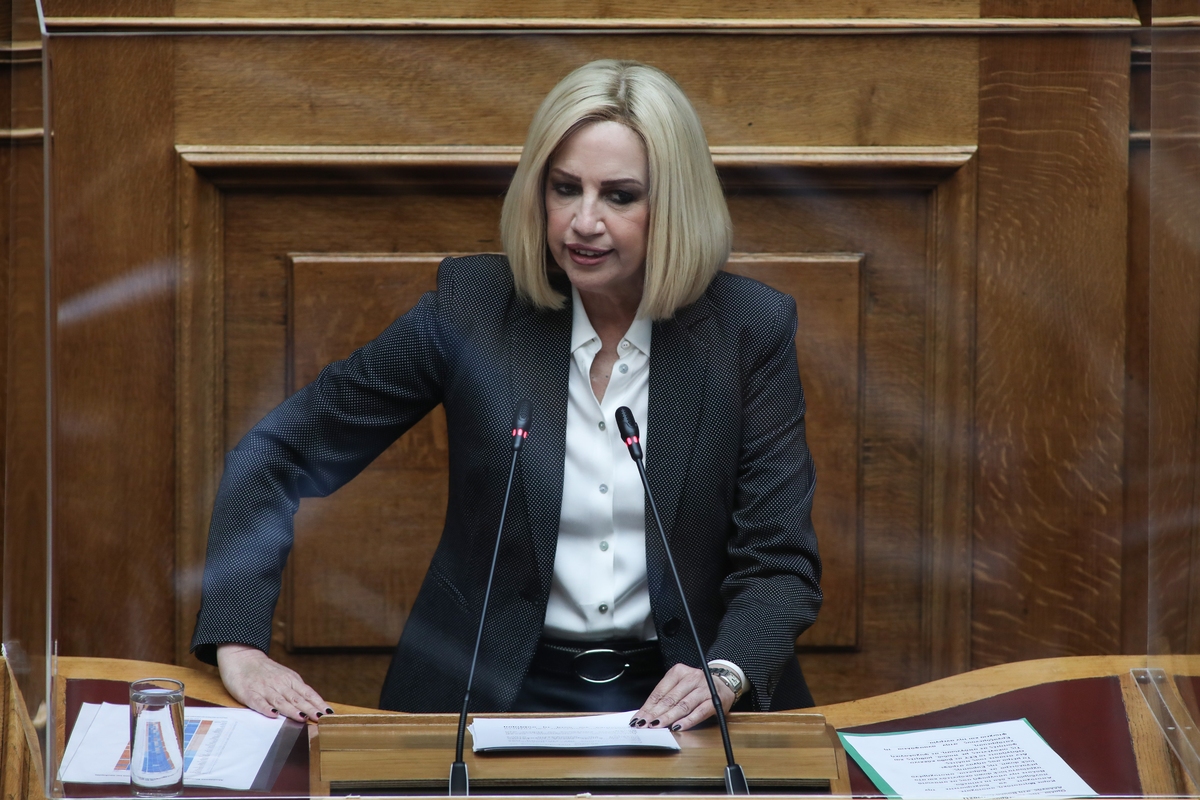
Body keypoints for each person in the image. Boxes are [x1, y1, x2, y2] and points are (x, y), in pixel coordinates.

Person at [190, 59, 821, 732]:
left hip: (687, 696)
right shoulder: (473, 310)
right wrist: (239, 641)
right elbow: (278, 453)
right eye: (565, 188)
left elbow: (778, 561)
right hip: (491, 693)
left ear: (676, 206)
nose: (583, 221)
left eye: (619, 196)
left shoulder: (747, 330)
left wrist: (725, 672)